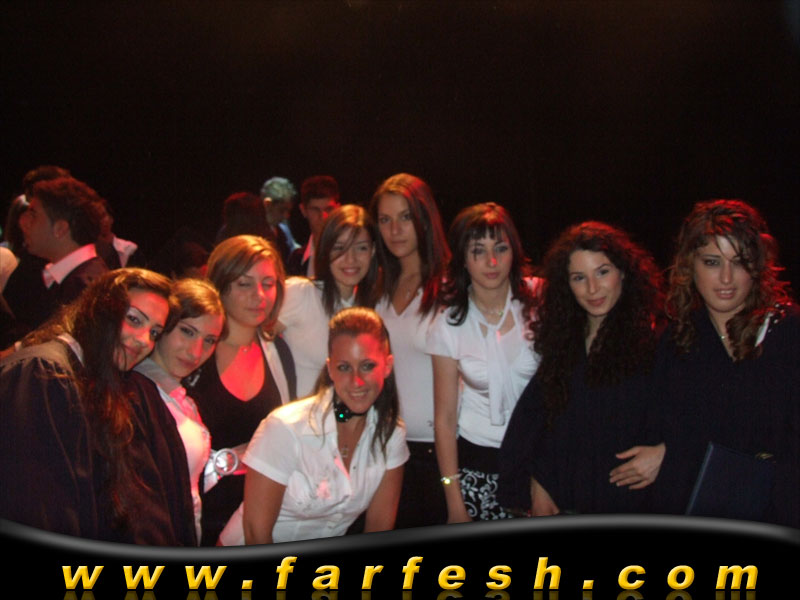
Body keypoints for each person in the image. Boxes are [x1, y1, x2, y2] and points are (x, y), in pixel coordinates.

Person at [0, 268, 196, 545]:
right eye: (133, 319)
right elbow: (35, 507)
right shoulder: (42, 374)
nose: (144, 340)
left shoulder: (101, 382)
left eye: (154, 332)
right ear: (99, 309)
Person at [498, 221, 667, 516]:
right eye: (579, 278)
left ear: (623, 272)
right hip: (565, 505)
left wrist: (666, 453)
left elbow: (693, 419)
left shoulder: (658, 341)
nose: (592, 288)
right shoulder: (563, 343)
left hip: (631, 507)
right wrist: (537, 481)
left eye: (602, 272)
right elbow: (537, 424)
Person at [650, 199, 799, 527]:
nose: (727, 278)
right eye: (712, 262)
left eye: (740, 262)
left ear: (758, 266)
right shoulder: (676, 340)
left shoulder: (787, 331)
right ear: (690, 265)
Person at [221, 307, 408, 544]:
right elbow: (256, 533)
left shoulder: (391, 434)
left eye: (367, 366)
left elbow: (379, 529)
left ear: (387, 366)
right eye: (344, 367)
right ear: (330, 369)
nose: (357, 381)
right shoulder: (285, 428)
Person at [427, 202, 541, 522]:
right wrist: (453, 501)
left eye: (501, 248)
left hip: (537, 461)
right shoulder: (447, 325)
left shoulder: (539, 305)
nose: (492, 262)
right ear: (462, 258)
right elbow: (445, 419)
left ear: (514, 252)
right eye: (478, 251)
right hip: (476, 463)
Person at [185, 234, 297, 545]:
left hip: (261, 517)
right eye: (244, 284)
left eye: (268, 283)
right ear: (220, 286)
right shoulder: (193, 352)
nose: (258, 295)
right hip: (198, 518)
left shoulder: (280, 354)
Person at [369, 172, 451, 528]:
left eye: (405, 217)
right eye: (385, 220)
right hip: (387, 449)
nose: (395, 230)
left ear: (425, 219)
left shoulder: (451, 286)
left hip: (442, 453)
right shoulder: (376, 287)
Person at [134, 277, 226, 542]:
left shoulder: (178, 395)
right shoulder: (136, 394)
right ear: (164, 326)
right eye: (187, 331)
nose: (196, 351)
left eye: (209, 340)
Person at [277, 204, 381, 399]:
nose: (351, 259)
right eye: (339, 248)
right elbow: (257, 339)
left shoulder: (375, 308)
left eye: (361, 248)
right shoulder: (301, 294)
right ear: (325, 250)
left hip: (347, 416)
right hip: (298, 415)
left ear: (373, 251)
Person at [14, 176, 108, 335]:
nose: (23, 222)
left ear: (60, 229)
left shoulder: (86, 290)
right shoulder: (71, 278)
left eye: (33, 214)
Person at [286, 175, 341, 277]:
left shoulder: (350, 255)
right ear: (303, 210)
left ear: (338, 209)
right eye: (315, 210)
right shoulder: (296, 260)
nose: (323, 216)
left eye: (329, 209)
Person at [260, 176, 300, 264]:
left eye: (288, 211)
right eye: (281, 210)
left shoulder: (283, 230)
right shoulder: (252, 231)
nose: (286, 216)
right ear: (267, 204)